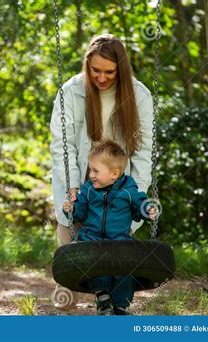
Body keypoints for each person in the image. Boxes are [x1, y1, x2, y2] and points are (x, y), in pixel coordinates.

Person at [50, 34, 154, 308]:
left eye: (109, 72)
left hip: (118, 181)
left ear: (121, 69)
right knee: (70, 237)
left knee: (113, 243)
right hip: (79, 174)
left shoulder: (139, 94)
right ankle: (66, 304)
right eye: (95, 70)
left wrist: (138, 196)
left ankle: (110, 303)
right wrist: (73, 186)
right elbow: (63, 145)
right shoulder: (71, 92)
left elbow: (144, 152)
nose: (102, 77)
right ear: (87, 65)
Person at [62, 140, 157, 315]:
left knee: (125, 270)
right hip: (92, 239)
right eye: (91, 169)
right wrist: (72, 209)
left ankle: (121, 306)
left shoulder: (128, 190)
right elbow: (80, 213)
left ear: (114, 174)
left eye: (96, 171)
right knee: (97, 265)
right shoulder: (89, 189)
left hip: (119, 239)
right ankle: (102, 296)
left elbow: (139, 206)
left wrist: (148, 210)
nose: (91, 175)